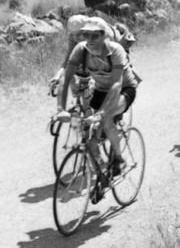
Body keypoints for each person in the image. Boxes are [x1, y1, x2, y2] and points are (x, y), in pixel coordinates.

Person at [56, 17, 135, 178]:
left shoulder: (115, 50)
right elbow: (66, 77)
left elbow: (115, 84)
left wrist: (102, 112)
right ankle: (100, 171)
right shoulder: (80, 49)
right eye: (86, 35)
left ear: (104, 35)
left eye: (95, 36)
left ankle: (119, 159)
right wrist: (61, 109)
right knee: (87, 132)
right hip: (100, 89)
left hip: (124, 90)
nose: (90, 40)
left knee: (106, 120)